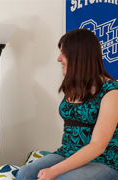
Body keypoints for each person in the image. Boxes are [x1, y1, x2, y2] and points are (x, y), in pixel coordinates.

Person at [16, 29, 118, 180]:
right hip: (68, 152)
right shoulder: (73, 85)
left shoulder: (112, 91)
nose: (58, 58)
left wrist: (55, 171)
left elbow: (98, 145)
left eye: (63, 53)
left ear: (79, 55)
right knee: (24, 174)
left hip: (104, 159)